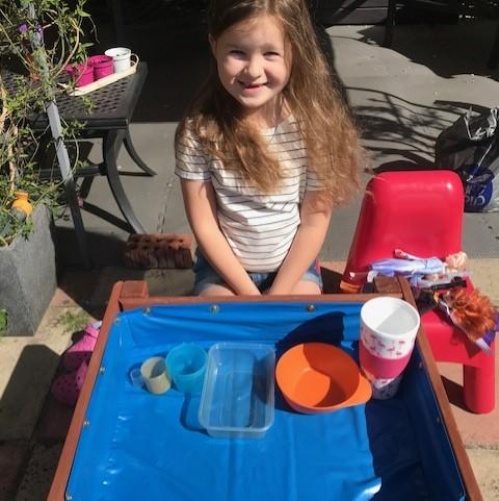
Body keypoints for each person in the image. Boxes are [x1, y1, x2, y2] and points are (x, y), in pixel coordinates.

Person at [175, 0, 363, 296]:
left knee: (300, 320)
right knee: (220, 319)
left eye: (270, 53)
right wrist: (252, 298)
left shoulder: (314, 128)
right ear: (214, 45)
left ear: (294, 51)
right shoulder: (198, 131)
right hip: (223, 272)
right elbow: (205, 225)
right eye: (237, 52)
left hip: (293, 269)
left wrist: (277, 295)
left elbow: (314, 221)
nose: (253, 70)